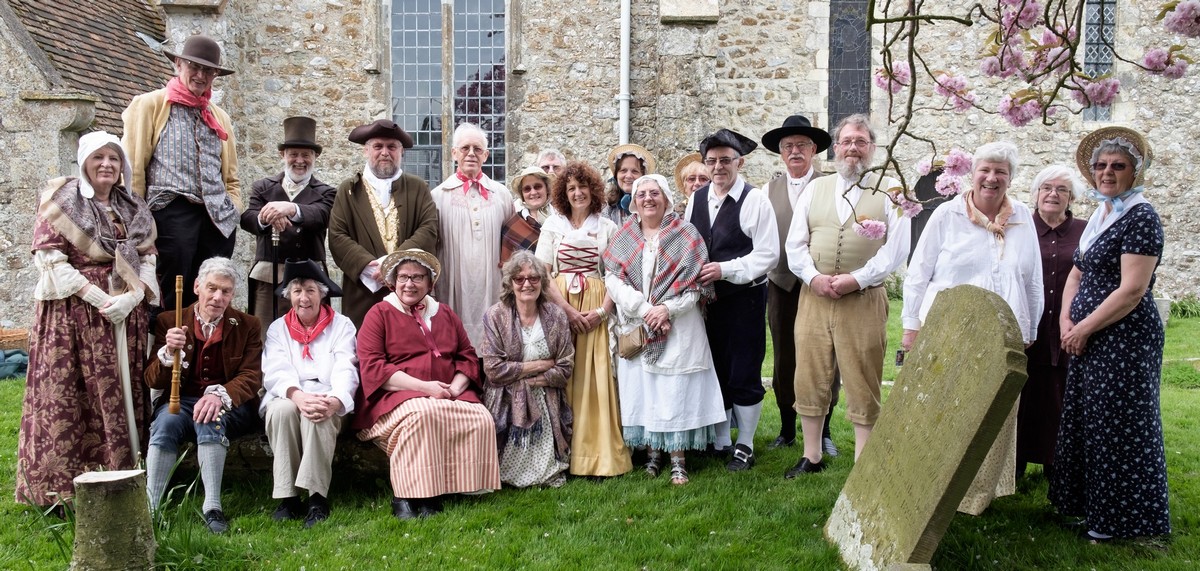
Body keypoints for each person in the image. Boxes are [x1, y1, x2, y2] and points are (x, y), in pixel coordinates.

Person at [16, 132, 158, 507]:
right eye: (98, 157)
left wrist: (132, 298)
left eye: (114, 158)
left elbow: (148, 257)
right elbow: (51, 261)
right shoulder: (61, 201)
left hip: (124, 317)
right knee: (71, 394)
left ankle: (124, 480)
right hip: (73, 318)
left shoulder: (132, 205)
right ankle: (61, 491)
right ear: (84, 162)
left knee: (120, 391)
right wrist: (100, 299)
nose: (107, 164)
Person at [902, 141, 1042, 515]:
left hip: (1003, 332)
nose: (992, 178)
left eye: (1001, 172)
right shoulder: (947, 215)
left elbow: (1032, 279)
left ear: (1010, 178)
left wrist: (1029, 327)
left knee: (994, 414)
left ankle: (978, 494)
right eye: (985, 170)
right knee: (944, 407)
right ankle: (931, 483)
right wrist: (911, 326)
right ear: (972, 174)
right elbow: (919, 271)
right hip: (950, 329)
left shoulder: (1022, 217)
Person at [1050, 127, 1169, 542]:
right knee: (1091, 422)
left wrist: (1084, 327)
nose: (1107, 172)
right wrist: (1066, 321)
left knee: (1120, 427)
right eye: (1101, 165)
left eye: (1118, 166)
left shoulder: (1141, 216)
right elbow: (1077, 273)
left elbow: (1132, 290)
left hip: (1124, 338)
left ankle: (1122, 522)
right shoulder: (1103, 214)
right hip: (1088, 335)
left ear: (1135, 172)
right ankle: (1091, 509)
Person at [784, 114, 911, 478]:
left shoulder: (891, 190)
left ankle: (862, 462)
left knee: (862, 376)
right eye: (847, 141)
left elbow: (897, 249)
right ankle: (811, 455)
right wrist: (813, 278)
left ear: (872, 148)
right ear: (836, 147)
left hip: (864, 300)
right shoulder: (815, 189)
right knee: (809, 373)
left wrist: (857, 279)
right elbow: (795, 243)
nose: (853, 148)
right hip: (814, 298)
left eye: (861, 141)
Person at [353, 249, 500, 520]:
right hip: (393, 396)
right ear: (393, 281)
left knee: (480, 417)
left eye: (417, 277)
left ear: (430, 283)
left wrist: (454, 388)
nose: (409, 284)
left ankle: (451, 487)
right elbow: (373, 366)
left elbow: (467, 355)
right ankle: (409, 495)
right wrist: (426, 388)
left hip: (447, 391)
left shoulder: (445, 313)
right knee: (422, 414)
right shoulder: (379, 313)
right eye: (403, 277)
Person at [604, 174, 726, 485]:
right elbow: (613, 280)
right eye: (642, 194)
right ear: (634, 201)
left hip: (679, 326)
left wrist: (666, 309)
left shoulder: (686, 233)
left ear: (666, 198)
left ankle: (678, 460)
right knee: (645, 390)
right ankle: (652, 454)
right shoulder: (624, 235)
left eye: (654, 193)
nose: (648, 198)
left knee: (674, 393)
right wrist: (644, 309)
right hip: (639, 323)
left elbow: (697, 285)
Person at [144, 257, 263, 533]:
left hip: (230, 405)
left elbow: (251, 376)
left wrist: (220, 395)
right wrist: (167, 354)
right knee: (166, 422)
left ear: (232, 294)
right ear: (197, 286)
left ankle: (212, 507)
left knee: (210, 418)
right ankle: (151, 508)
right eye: (212, 288)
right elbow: (151, 379)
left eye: (226, 291)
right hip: (182, 402)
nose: (218, 297)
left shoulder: (248, 325)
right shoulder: (169, 321)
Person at [122, 34, 239, 311]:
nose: (200, 75)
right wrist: (137, 221)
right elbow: (133, 168)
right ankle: (167, 340)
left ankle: (203, 340)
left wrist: (234, 208)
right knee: (171, 294)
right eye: (194, 67)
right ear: (178, 64)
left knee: (211, 294)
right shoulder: (150, 105)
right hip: (170, 213)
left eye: (208, 70)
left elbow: (231, 177)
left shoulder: (220, 116)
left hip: (217, 219)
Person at [685, 129, 779, 472]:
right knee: (716, 368)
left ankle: (746, 443)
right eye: (711, 161)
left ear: (740, 162)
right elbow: (689, 244)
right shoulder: (697, 199)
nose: (718, 167)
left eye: (725, 160)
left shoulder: (755, 200)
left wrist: (724, 269)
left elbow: (768, 254)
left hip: (745, 299)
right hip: (707, 302)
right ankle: (722, 439)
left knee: (744, 368)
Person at [534, 161, 631, 477]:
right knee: (565, 375)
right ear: (563, 193)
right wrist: (568, 311)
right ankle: (564, 454)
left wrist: (602, 311)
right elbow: (543, 273)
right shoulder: (553, 225)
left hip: (596, 307)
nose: (578, 193)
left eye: (583, 187)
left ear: (593, 190)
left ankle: (598, 456)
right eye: (571, 188)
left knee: (595, 375)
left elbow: (617, 274)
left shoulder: (607, 227)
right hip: (560, 305)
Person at [759, 114, 841, 455]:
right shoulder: (767, 191)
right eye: (788, 146)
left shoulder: (832, 186)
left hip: (819, 284)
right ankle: (787, 427)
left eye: (802, 145)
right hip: (781, 284)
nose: (795, 151)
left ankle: (825, 431)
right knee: (784, 356)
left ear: (813, 150)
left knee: (825, 354)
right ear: (781, 152)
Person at [260, 260, 358, 528]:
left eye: (311, 290)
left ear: (322, 294)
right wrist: (297, 396)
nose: (304, 298)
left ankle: (316, 498)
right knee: (281, 412)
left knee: (319, 414)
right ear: (289, 296)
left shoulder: (342, 325)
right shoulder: (278, 328)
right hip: (289, 394)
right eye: (297, 291)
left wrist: (334, 400)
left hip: (329, 393)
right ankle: (288, 497)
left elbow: (346, 367)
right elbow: (276, 369)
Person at [328, 119, 439, 328]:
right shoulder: (348, 190)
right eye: (378, 146)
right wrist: (369, 268)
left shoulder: (418, 188)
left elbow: (429, 229)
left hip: (409, 291)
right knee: (365, 344)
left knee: (410, 344)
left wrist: (393, 264)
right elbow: (337, 235)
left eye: (392, 147)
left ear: (401, 152)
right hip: (363, 292)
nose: (385, 152)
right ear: (366, 151)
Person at [480, 251, 575, 488]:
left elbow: (565, 367)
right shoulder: (495, 316)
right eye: (519, 278)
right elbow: (493, 369)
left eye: (533, 278)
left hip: (545, 396)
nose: (527, 284)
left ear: (542, 282)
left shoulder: (556, 316)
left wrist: (528, 381)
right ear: (510, 283)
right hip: (506, 398)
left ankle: (545, 468)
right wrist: (540, 365)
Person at [1017, 165, 1087, 480]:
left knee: (1061, 398)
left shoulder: (1086, 231)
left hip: (1069, 329)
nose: (1053, 194)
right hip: (1027, 327)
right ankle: (1014, 464)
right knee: (1022, 395)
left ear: (1071, 197)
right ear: (1036, 194)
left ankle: (1057, 466)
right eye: (1046, 188)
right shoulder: (1019, 228)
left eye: (1061, 190)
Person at [240, 116, 337, 334]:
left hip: (310, 277)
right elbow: (248, 218)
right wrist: (269, 215)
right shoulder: (263, 187)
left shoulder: (327, 192)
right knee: (265, 335)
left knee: (311, 334)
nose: (299, 160)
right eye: (293, 154)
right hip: (269, 276)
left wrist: (291, 208)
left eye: (306, 155)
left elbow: (322, 216)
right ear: (282, 155)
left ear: (315, 157)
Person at [430, 122, 513, 347]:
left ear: (486, 155)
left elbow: (511, 244)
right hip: (454, 284)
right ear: (454, 153)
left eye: (477, 149)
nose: (471, 153)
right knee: (456, 346)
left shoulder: (502, 195)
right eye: (465, 148)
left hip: (492, 285)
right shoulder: (437, 196)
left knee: (494, 346)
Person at [500, 166, 555, 264]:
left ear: (547, 189)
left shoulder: (562, 217)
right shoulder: (513, 227)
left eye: (538, 186)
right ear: (522, 195)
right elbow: (507, 267)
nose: (533, 192)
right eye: (527, 189)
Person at [602, 144, 656, 227]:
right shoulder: (607, 209)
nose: (628, 176)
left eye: (634, 171)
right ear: (616, 175)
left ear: (643, 176)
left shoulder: (652, 205)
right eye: (623, 170)